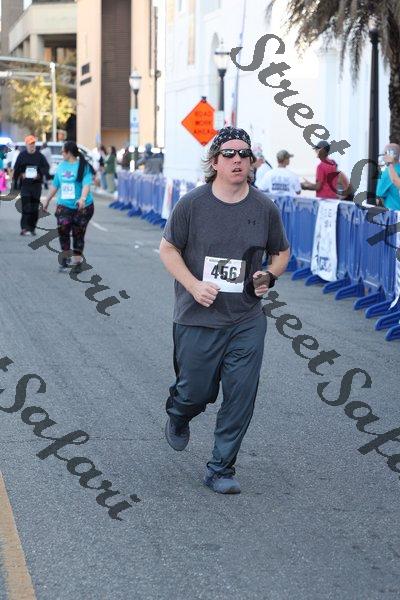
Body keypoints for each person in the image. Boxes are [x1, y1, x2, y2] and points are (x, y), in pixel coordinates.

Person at [159, 126, 290, 494]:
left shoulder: (264, 207)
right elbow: (168, 250)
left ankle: (220, 468)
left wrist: (268, 275)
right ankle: (179, 412)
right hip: (197, 316)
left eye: (244, 154)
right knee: (195, 392)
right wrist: (193, 285)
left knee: (241, 393)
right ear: (214, 161)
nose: (237, 159)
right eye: (229, 153)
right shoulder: (192, 204)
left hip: (246, 318)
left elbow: (281, 252)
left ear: (252, 162)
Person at [41, 141, 95, 272]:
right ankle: (65, 257)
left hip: (83, 207)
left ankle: (77, 262)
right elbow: (55, 185)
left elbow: (86, 185)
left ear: (69, 152)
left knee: (78, 234)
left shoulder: (84, 166)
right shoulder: (61, 166)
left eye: (62, 151)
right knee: (63, 229)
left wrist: (82, 199)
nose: (61, 153)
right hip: (64, 205)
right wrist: (47, 200)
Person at [13, 135, 50, 236]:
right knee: (26, 206)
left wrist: (39, 175)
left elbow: (46, 167)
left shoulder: (40, 156)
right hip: (25, 185)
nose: (32, 145)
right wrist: (21, 175)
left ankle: (32, 228)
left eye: (33, 143)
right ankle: (24, 228)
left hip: (36, 186)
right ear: (26, 144)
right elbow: (16, 169)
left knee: (34, 208)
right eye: (30, 144)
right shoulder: (22, 155)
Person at [375, 143, 400, 210]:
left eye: (384, 154)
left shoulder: (387, 173)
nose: (383, 157)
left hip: (394, 212)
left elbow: (378, 196)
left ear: (390, 154)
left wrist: (389, 164)